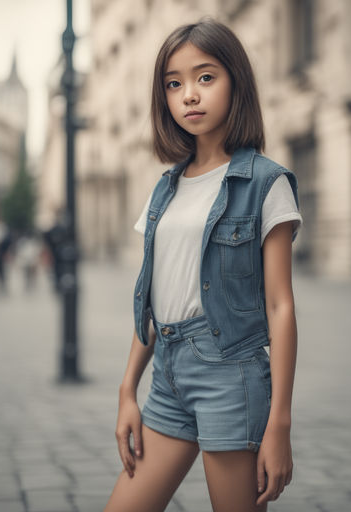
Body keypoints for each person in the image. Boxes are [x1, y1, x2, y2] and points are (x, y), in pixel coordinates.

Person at [105, 18, 303, 512]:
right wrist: (129, 389)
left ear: (236, 82)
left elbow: (280, 306)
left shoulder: (264, 182)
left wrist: (279, 423)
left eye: (205, 77)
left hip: (230, 375)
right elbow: (150, 298)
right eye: (174, 83)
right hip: (167, 375)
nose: (189, 95)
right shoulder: (164, 188)